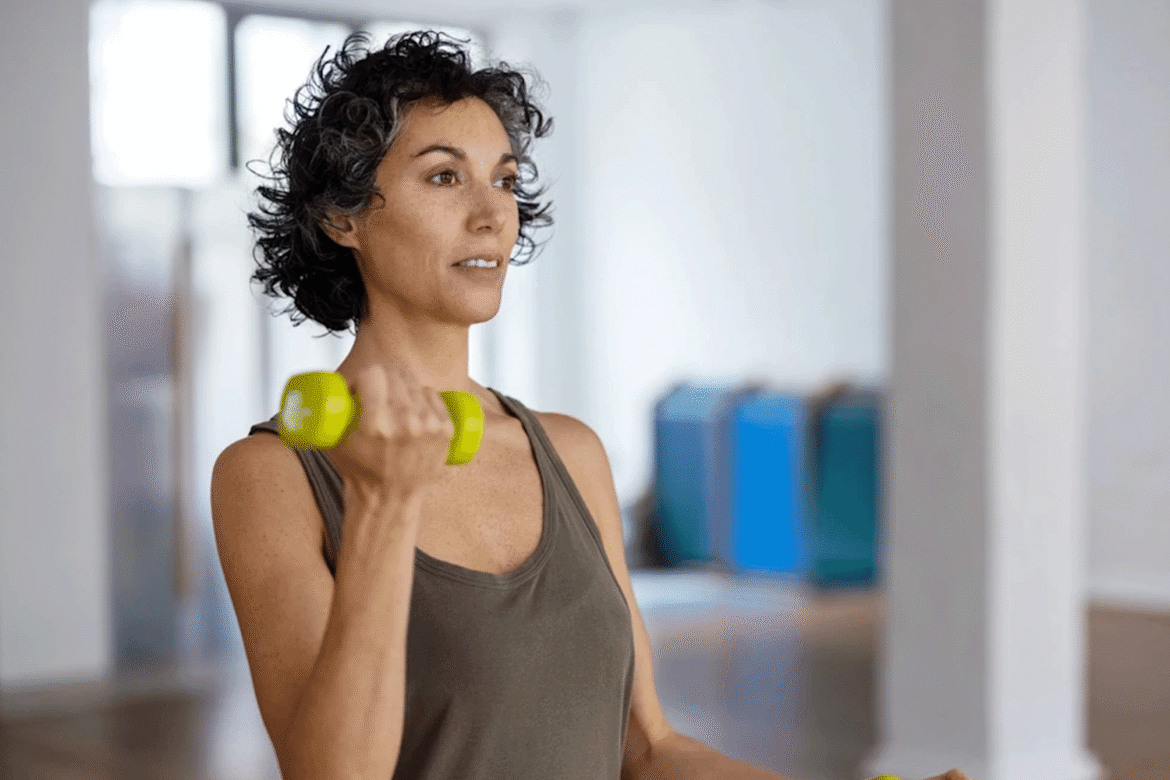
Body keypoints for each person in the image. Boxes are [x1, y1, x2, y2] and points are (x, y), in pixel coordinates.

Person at [208, 29, 970, 780]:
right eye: (444, 177)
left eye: (504, 180)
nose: (492, 214)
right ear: (342, 218)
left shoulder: (570, 453)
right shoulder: (270, 476)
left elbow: (649, 748)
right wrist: (384, 505)